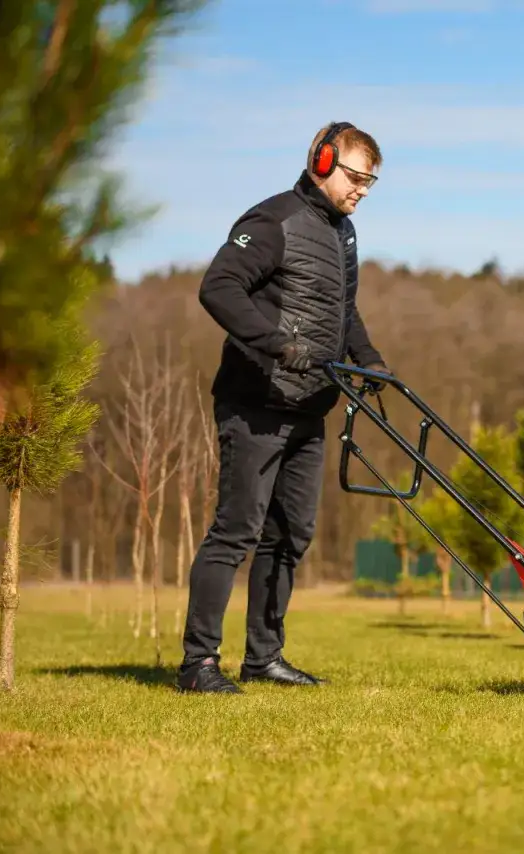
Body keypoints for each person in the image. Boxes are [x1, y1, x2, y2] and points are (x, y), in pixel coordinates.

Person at [177, 121, 391, 693]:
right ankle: (198, 664)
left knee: (291, 535)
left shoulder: (342, 234)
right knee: (236, 532)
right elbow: (218, 287)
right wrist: (275, 342)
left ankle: (263, 658)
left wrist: (368, 360)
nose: (362, 190)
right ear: (322, 162)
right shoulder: (273, 221)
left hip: (309, 410)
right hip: (256, 403)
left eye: (371, 182)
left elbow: (342, 311)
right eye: (354, 177)